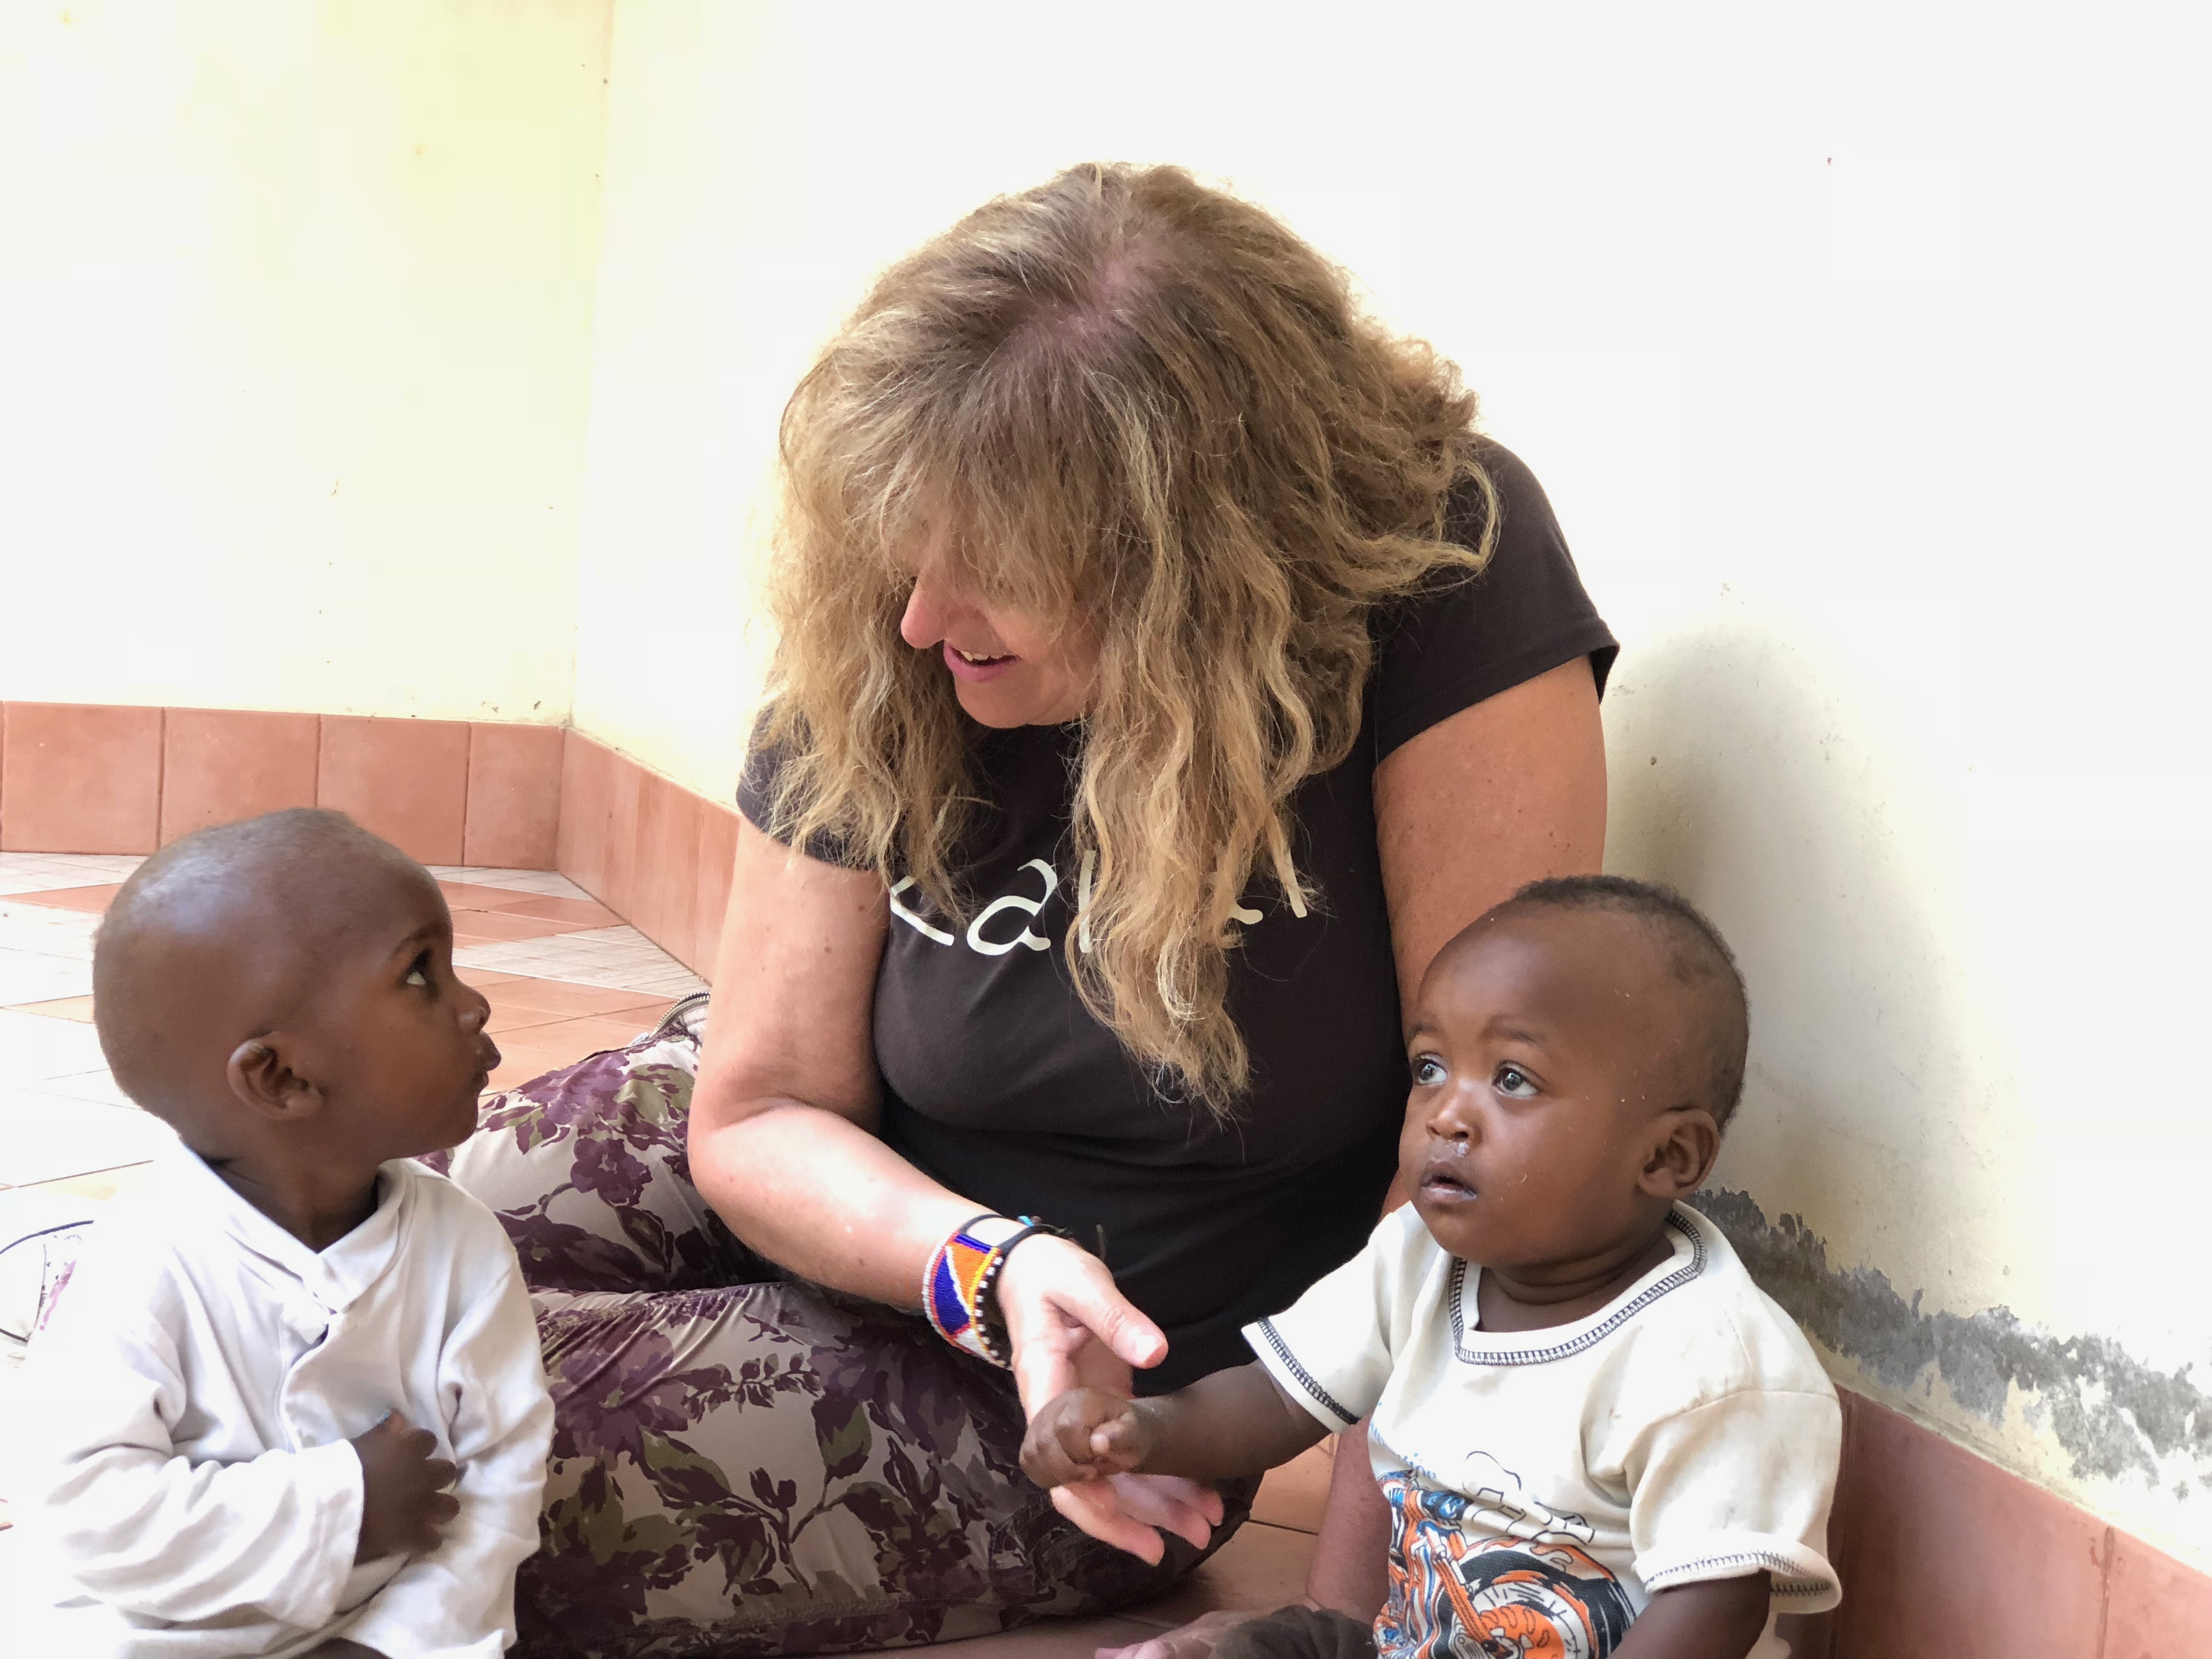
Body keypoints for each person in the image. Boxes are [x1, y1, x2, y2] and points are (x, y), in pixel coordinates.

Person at [428, 160, 1617, 1656]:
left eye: (990, 573)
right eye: (910, 552)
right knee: (295, 1267)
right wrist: (981, 1261)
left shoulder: (1446, 565)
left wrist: (1334, 1623)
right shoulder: (896, 608)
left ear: (1191, 562)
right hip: (857, 1178)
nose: (920, 618)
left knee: (425, 1465)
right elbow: (764, 1103)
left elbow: (1475, 1174)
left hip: (1091, 1394)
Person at [1021, 877, 1842, 1659]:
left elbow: (1715, 1607)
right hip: (1406, 1642)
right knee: (1269, 1647)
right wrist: (1143, 1431)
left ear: (1666, 1157)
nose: (1447, 1113)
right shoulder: (1418, 1255)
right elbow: (1277, 1397)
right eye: (1429, 1068)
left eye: (1513, 1079)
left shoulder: (1712, 1361)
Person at [13, 809, 554, 1659]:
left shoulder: (465, 1248)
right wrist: (342, 1507)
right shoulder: (146, 1258)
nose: (475, 1005)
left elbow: (498, 1487)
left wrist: (386, 1645)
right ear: (283, 1077)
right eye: (421, 974)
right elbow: (85, 1514)